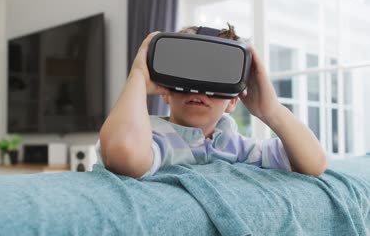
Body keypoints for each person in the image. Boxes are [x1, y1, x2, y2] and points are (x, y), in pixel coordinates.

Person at [96, 24, 327, 179]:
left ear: (232, 102)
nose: (199, 90)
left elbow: (314, 163)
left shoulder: (238, 148)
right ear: (165, 91)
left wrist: (271, 110)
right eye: (187, 74)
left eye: (215, 78)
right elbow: (124, 154)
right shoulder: (153, 139)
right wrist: (138, 75)